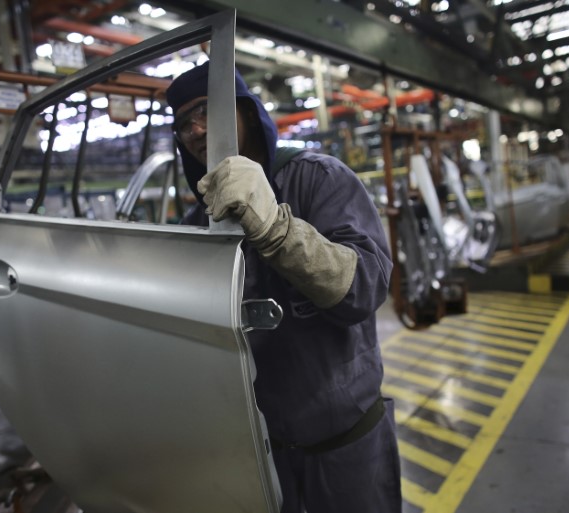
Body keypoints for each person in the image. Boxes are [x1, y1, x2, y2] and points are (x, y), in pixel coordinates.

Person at [165, 61, 401, 513]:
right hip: (262, 457)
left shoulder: (318, 178)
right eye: (183, 124)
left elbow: (365, 289)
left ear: (246, 112)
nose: (196, 131)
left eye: (206, 112)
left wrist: (277, 229)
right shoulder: (200, 225)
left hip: (345, 448)